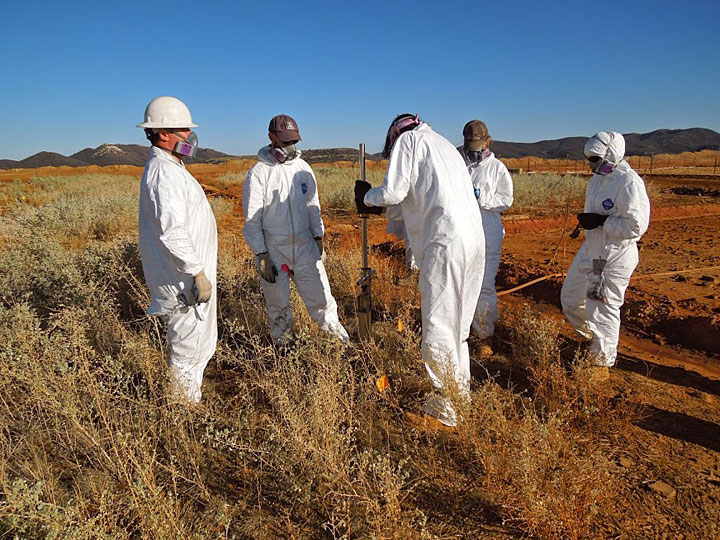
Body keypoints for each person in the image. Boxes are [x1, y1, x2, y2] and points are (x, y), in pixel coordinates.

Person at [355, 114, 484, 428]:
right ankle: (459, 399)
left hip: (446, 244)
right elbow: (412, 197)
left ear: (394, 136)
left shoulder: (409, 140)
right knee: (458, 331)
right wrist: (377, 203)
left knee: (439, 329)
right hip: (473, 243)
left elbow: (394, 192)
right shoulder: (444, 147)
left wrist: (367, 196)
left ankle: (445, 414)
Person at [137, 96, 218, 403]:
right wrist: (197, 273)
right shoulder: (164, 174)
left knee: (197, 346)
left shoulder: (172, 167)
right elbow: (173, 231)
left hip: (190, 277)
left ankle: (188, 402)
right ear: (163, 134)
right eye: (183, 129)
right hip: (185, 281)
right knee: (187, 350)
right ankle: (183, 416)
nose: (190, 135)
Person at [242, 114, 349, 345]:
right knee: (278, 306)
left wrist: (318, 237)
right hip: (274, 250)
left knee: (323, 301)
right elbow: (252, 219)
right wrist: (261, 254)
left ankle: (341, 347)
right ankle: (285, 350)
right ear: (271, 138)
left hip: (304, 247)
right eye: (286, 141)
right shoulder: (259, 173)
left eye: (294, 141)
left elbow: (314, 207)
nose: (291, 146)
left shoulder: (303, 169)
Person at [561, 131, 650, 380]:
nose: (591, 164)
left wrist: (602, 221)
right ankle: (592, 340)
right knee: (570, 298)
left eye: (595, 158)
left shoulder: (628, 182)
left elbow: (636, 226)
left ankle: (601, 363)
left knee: (602, 306)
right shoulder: (598, 179)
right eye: (589, 159)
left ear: (611, 155)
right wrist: (591, 221)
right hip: (592, 249)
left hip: (613, 256)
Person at [459, 120, 513, 355]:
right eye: (469, 143)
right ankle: (462, 329)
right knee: (460, 281)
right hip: (461, 233)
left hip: (487, 234)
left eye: (478, 143)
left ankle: (484, 335)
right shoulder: (458, 164)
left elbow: (506, 200)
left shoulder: (497, 168)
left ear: (487, 141)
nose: (473, 148)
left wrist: (481, 198)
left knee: (483, 286)